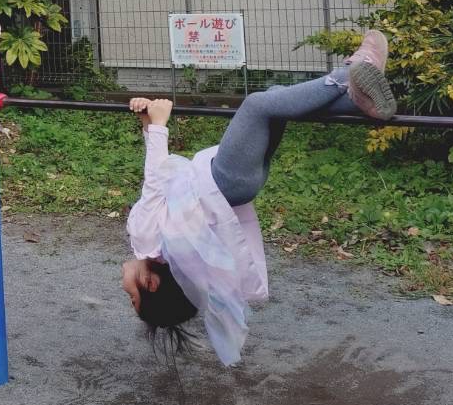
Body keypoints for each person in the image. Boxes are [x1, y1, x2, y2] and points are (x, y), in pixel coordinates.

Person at [121, 31, 397, 365]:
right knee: (256, 106)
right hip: (223, 181)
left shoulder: (177, 258)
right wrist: (158, 124)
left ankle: (356, 102)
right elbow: (155, 182)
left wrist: (147, 126)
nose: (124, 291)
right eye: (132, 297)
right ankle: (354, 69)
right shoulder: (146, 242)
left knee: (277, 99)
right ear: (149, 284)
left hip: (240, 189)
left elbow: (160, 190)